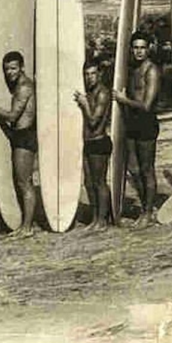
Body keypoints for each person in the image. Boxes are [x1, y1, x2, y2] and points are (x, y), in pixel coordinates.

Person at [0, 51, 38, 238]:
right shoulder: (18, 85)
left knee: (24, 183)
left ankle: (27, 228)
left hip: (25, 137)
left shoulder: (24, 87)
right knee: (21, 181)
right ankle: (25, 224)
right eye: (7, 69)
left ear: (22, 68)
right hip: (19, 135)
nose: (10, 72)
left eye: (14, 68)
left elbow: (12, 116)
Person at [113, 30, 160, 228]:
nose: (139, 52)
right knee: (133, 169)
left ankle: (148, 212)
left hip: (146, 125)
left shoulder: (152, 71)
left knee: (147, 169)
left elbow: (147, 105)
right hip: (132, 124)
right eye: (135, 48)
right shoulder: (133, 70)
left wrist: (124, 100)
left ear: (148, 49)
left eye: (142, 48)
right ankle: (145, 206)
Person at [74, 58, 112, 232]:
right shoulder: (89, 92)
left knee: (99, 182)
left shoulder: (102, 93)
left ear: (100, 74)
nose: (89, 78)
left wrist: (84, 104)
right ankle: (96, 217)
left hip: (99, 142)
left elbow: (94, 121)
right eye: (86, 74)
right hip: (88, 143)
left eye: (93, 74)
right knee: (89, 182)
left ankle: (103, 220)